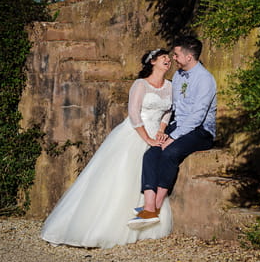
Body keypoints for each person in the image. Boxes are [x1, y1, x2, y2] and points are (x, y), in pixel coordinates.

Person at [41, 49, 174, 248]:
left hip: (156, 134)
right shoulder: (140, 84)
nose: (168, 60)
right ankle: (99, 228)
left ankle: (146, 218)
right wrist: (147, 138)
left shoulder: (170, 86)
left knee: (148, 172)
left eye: (170, 58)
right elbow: (134, 114)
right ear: (152, 61)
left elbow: (168, 111)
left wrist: (162, 130)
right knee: (121, 178)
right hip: (136, 132)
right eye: (164, 57)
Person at [128, 36, 217, 229]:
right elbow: (172, 107)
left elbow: (198, 116)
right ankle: (148, 205)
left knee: (169, 153)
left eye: (176, 55)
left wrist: (173, 137)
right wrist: (164, 131)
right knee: (152, 152)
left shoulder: (205, 80)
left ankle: (155, 209)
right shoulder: (178, 75)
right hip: (179, 125)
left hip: (201, 130)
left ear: (188, 57)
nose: (173, 58)